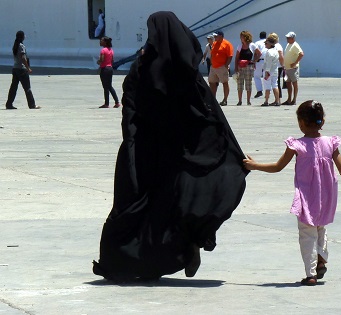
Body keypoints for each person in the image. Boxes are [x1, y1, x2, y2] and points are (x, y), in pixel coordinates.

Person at [93, 11, 248, 283]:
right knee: (171, 203)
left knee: (134, 205)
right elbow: (206, 115)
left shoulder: (142, 66)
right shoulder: (186, 74)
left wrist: (130, 140)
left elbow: (131, 106)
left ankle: (124, 262)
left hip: (143, 149)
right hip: (177, 152)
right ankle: (186, 245)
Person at [243, 100, 341, 286]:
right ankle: (321, 258)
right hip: (326, 196)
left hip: (307, 197)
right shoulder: (331, 143)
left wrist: (254, 165)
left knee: (307, 233)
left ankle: (311, 274)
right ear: (322, 121)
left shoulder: (296, 145)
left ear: (300, 123)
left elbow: (277, 167)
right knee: (320, 227)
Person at [5, 31, 40, 110]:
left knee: (13, 88)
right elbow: (23, 58)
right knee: (27, 88)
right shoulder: (21, 46)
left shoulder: (15, 45)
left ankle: (9, 104)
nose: (25, 36)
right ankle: (32, 105)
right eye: (24, 35)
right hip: (21, 69)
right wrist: (28, 68)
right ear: (22, 36)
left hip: (15, 68)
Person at [234, 31, 261, 106]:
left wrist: (254, 60)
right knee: (240, 83)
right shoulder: (240, 46)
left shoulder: (252, 45)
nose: (241, 38)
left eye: (242, 37)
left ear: (246, 37)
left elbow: (259, 53)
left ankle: (248, 100)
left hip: (249, 66)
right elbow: (236, 57)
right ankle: (240, 100)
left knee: (248, 83)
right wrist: (236, 67)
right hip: (240, 66)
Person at [208, 30, 234, 106]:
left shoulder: (227, 44)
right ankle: (213, 100)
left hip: (222, 67)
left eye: (216, 36)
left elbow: (230, 56)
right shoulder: (214, 43)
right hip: (213, 67)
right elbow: (212, 54)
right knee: (212, 82)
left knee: (224, 83)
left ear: (221, 36)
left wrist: (226, 65)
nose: (215, 37)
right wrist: (211, 62)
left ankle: (225, 100)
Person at [97, 36, 121, 108]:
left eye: (101, 40)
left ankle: (107, 103)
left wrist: (98, 62)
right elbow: (112, 60)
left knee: (105, 87)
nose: (100, 42)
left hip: (104, 69)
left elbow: (101, 60)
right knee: (109, 86)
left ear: (105, 42)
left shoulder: (103, 51)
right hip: (110, 68)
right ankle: (117, 102)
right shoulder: (111, 50)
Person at [282, 32, 304, 105]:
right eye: (287, 38)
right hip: (288, 68)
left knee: (294, 83)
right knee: (288, 83)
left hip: (293, 68)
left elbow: (301, 54)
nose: (287, 39)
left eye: (289, 38)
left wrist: (295, 63)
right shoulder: (288, 44)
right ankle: (289, 99)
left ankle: (294, 99)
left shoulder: (295, 45)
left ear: (293, 38)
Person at [261, 35, 280, 106]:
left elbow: (268, 63)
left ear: (270, 44)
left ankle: (266, 101)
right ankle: (277, 101)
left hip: (268, 71)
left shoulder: (269, 52)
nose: (265, 44)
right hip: (275, 70)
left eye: (266, 43)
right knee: (275, 85)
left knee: (267, 86)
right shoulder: (276, 51)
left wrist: (267, 72)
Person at [269, 33, 285, 102]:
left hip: (277, 66)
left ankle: (278, 99)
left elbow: (281, 56)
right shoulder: (274, 45)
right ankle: (277, 99)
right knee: (275, 82)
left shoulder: (277, 46)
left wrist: (282, 65)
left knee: (276, 83)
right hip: (275, 66)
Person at [253, 31, 267, 98]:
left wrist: (254, 61)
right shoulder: (268, 42)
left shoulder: (257, 43)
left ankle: (259, 91)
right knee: (266, 76)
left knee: (256, 76)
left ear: (260, 36)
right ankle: (267, 90)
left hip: (259, 61)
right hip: (267, 61)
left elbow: (256, 53)